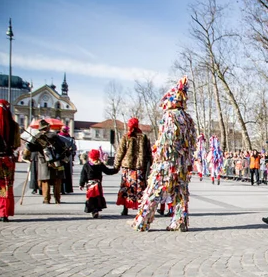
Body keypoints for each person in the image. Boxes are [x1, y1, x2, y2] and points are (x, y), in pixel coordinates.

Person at [131, 77, 197, 232]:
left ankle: (143, 221)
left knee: (154, 189)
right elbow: (192, 142)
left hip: (167, 162)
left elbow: (164, 142)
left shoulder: (169, 116)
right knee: (180, 192)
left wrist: (158, 157)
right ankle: (180, 221)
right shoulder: (188, 119)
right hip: (183, 163)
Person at [114, 118, 152, 216]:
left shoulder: (126, 137)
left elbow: (120, 153)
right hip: (140, 168)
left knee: (127, 187)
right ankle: (140, 208)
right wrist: (150, 166)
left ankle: (125, 208)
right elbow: (149, 154)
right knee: (139, 188)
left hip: (128, 168)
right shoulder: (144, 137)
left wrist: (116, 166)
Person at [24, 120, 65, 205]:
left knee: (45, 181)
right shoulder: (55, 136)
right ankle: (57, 199)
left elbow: (29, 148)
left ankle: (46, 199)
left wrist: (26, 157)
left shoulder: (37, 137)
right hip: (56, 161)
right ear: (48, 127)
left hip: (43, 162)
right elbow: (62, 146)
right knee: (57, 180)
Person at [79, 149, 118, 218]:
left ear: (90, 157)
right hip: (98, 184)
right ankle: (96, 210)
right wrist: (116, 170)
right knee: (98, 197)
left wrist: (81, 184)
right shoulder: (100, 164)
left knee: (91, 197)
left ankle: (94, 210)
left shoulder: (86, 165)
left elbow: (83, 176)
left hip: (90, 185)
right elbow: (108, 171)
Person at [58, 126, 76, 195]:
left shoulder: (57, 137)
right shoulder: (70, 139)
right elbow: (74, 148)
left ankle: (61, 189)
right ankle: (66, 188)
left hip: (60, 158)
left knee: (61, 173)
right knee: (67, 173)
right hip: (67, 158)